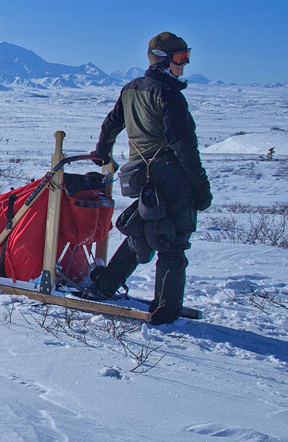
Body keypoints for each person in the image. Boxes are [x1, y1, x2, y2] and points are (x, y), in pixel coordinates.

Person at [88, 32, 212, 325]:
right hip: (171, 176)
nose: (185, 65)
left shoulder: (131, 89)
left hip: (141, 177)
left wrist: (102, 153)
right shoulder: (169, 95)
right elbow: (186, 148)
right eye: (181, 59)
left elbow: (111, 124)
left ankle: (105, 286)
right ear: (164, 60)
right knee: (175, 241)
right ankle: (166, 311)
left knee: (142, 231)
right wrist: (200, 188)